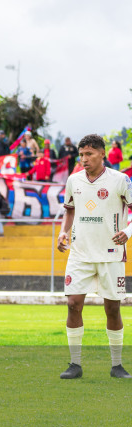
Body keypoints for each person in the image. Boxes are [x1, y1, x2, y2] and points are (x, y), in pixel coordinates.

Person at [57, 134, 132, 380]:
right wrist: (63, 233)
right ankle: (75, 364)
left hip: (111, 254)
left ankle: (117, 365)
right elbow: (70, 211)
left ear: (102, 153)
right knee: (73, 304)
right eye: (81, 155)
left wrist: (127, 232)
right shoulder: (73, 180)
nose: (84, 159)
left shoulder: (121, 180)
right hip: (79, 253)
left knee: (112, 309)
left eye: (89, 154)